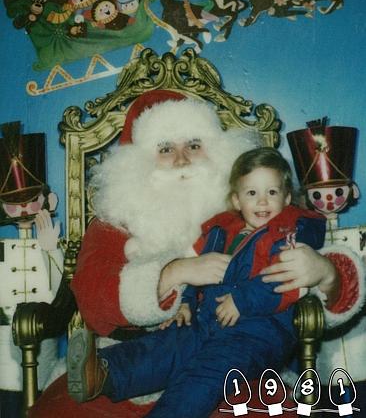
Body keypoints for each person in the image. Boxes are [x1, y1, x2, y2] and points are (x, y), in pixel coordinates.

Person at [29, 91, 364, 418]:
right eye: (165, 148)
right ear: (138, 163)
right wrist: (173, 274)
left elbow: (306, 273)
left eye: (193, 145)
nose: (181, 159)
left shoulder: (255, 209)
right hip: (135, 353)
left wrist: (326, 273)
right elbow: (90, 297)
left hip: (243, 352)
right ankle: (102, 373)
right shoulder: (113, 223)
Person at [66, 147, 327, 418]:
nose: (262, 202)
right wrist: (186, 303)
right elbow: (198, 275)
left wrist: (242, 300)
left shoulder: (289, 233)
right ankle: (105, 373)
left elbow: (287, 281)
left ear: (286, 198)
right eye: (252, 193)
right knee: (170, 345)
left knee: (205, 374)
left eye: (271, 192)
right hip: (208, 322)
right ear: (237, 200)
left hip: (259, 333)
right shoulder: (220, 230)